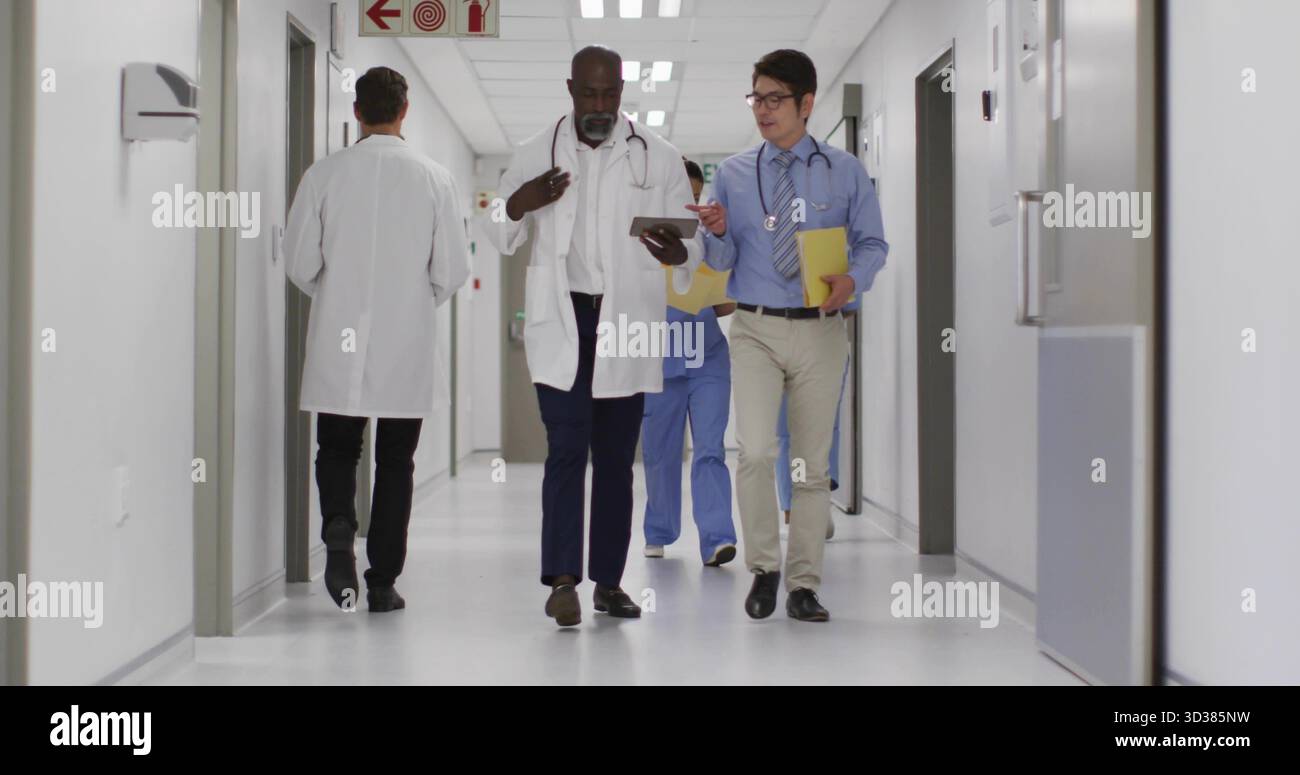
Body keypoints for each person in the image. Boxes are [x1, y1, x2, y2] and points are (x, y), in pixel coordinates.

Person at [483, 46, 701, 627]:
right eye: (589, 94)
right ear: (571, 87)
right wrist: (518, 204)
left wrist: (682, 252)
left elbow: (692, 237)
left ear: (622, 92)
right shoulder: (535, 151)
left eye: (610, 95)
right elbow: (497, 231)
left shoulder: (659, 157)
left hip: (626, 321)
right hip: (565, 318)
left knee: (613, 459)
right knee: (565, 450)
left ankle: (608, 581)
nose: (600, 106)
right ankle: (561, 580)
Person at [689, 49, 888, 622]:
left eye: (775, 99)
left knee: (809, 464)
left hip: (820, 330)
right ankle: (765, 569)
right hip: (753, 328)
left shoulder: (844, 170)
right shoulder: (731, 172)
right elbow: (721, 259)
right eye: (756, 98)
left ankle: (803, 583)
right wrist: (718, 232)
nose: (763, 110)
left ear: (806, 103)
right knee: (753, 450)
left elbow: (874, 244)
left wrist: (854, 278)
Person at [284, 66, 469, 613]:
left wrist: (337, 292)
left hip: (338, 336)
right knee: (396, 461)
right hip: (405, 342)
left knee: (337, 447)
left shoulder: (323, 175)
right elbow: (452, 270)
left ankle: (339, 525)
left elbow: (298, 262)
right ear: (403, 110)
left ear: (357, 113)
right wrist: (411, 304)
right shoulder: (435, 178)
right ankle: (383, 579)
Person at [641, 159, 738, 566]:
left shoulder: (711, 239)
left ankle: (717, 538)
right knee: (661, 452)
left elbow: (725, 302)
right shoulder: (642, 239)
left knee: (710, 449)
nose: (693, 204)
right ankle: (659, 531)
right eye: (686, 196)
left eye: (698, 196)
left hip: (708, 356)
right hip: (658, 356)